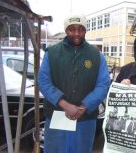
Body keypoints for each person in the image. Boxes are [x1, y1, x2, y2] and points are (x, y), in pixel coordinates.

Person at [38, 14, 110, 153]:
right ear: (66, 30)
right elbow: (43, 81)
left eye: (80, 29)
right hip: (57, 117)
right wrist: (65, 105)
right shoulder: (52, 53)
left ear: (85, 30)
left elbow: (103, 84)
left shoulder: (96, 55)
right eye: (72, 29)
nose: (76, 33)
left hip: (85, 120)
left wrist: (84, 106)